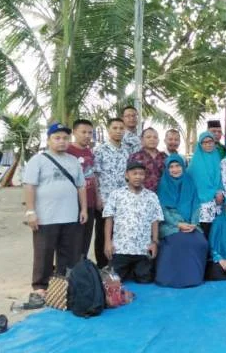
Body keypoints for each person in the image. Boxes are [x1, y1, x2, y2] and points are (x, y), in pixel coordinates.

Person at [23, 122, 87, 308]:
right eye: (57, 138)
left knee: (69, 254)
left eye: (65, 138)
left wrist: (83, 209)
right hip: (46, 217)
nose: (62, 141)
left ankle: (63, 284)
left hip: (70, 216)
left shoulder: (73, 161)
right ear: (49, 140)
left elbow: (81, 186)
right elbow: (29, 186)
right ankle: (40, 287)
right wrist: (30, 211)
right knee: (43, 253)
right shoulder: (38, 160)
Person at [103, 161, 163, 283]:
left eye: (141, 174)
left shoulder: (151, 196)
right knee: (114, 281)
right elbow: (109, 219)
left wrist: (154, 242)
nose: (138, 177)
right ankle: (126, 270)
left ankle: (133, 270)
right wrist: (108, 242)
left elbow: (155, 220)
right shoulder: (116, 194)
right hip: (120, 248)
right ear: (127, 175)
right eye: (134, 173)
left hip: (142, 249)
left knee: (145, 279)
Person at [155, 154, 208, 288]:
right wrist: (178, 224)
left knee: (200, 242)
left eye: (178, 166)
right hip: (170, 224)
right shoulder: (163, 185)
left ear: (183, 167)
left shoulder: (189, 182)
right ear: (167, 169)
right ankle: (173, 279)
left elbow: (196, 205)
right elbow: (162, 210)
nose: (175, 169)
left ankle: (194, 278)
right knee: (181, 241)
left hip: (189, 223)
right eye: (171, 167)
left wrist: (193, 224)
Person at [93, 117, 129, 267]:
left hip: (123, 201)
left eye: (121, 128)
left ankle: (116, 266)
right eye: (115, 128)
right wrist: (98, 198)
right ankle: (102, 266)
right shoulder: (100, 150)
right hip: (105, 200)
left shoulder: (126, 151)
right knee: (102, 234)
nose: (118, 131)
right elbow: (95, 175)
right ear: (108, 130)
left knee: (119, 232)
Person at [67, 119, 97, 258]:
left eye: (90, 133)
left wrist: (97, 198)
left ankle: (82, 265)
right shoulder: (67, 151)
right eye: (83, 132)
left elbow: (93, 176)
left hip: (89, 203)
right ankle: (69, 267)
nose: (87, 135)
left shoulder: (89, 152)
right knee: (73, 241)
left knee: (86, 240)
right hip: (73, 204)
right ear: (74, 132)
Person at [187, 131, 224, 237]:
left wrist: (219, 191)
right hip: (203, 203)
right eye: (204, 142)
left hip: (217, 201)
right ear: (200, 144)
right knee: (205, 232)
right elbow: (190, 182)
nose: (208, 144)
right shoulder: (194, 162)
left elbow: (221, 177)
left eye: (210, 141)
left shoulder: (217, 157)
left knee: (217, 232)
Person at [129, 127, 167, 192]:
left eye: (155, 137)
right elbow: (130, 178)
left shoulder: (164, 157)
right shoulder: (135, 157)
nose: (152, 139)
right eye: (148, 137)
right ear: (142, 140)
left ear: (158, 140)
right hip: (142, 194)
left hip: (163, 194)